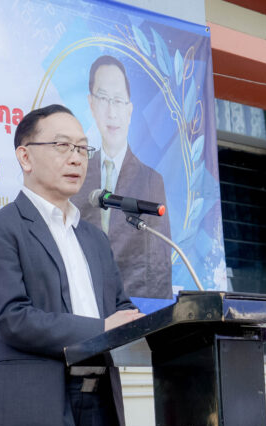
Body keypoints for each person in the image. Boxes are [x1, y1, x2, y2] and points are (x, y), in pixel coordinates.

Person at [0, 104, 144, 426]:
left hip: (99, 413)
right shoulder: (0, 230)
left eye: (82, 148)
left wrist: (136, 323)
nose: (76, 158)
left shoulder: (95, 238)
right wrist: (102, 329)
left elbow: (120, 308)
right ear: (25, 157)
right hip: (32, 419)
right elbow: (11, 318)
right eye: (62, 146)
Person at [71, 55, 173, 299]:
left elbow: (159, 262)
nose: (112, 112)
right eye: (103, 99)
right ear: (91, 104)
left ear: (129, 109)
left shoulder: (151, 181)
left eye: (118, 100)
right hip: (82, 304)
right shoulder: (76, 175)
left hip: (133, 307)